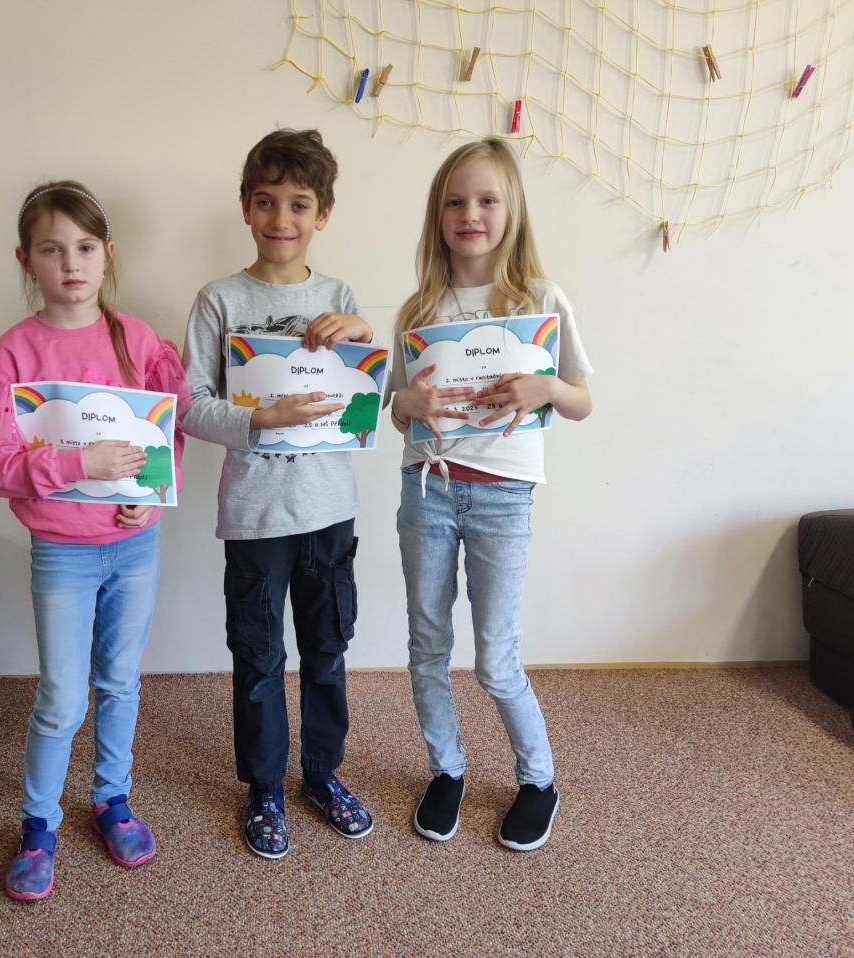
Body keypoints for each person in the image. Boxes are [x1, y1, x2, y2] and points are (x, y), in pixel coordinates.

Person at [0, 180, 189, 900]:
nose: (71, 263)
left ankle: (111, 800)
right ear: (25, 260)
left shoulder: (137, 340)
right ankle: (38, 825)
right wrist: (77, 465)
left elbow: (167, 436)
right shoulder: (14, 354)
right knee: (60, 695)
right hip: (62, 554)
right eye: (52, 250)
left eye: (85, 247)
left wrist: (149, 493)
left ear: (108, 254)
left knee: (120, 681)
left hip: (135, 547)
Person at [386, 138, 594, 851]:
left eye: (486, 200)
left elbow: (581, 401)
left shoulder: (540, 300)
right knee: (427, 645)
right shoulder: (419, 308)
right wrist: (405, 403)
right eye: (454, 201)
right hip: (427, 489)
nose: (469, 214)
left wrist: (547, 387)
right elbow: (397, 410)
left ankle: (539, 780)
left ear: (512, 211)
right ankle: (446, 770)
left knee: (496, 659)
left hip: (504, 497)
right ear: (437, 215)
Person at [181, 129, 375, 859]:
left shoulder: (339, 296)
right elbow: (190, 405)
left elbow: (366, 402)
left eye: (298, 204)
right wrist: (261, 419)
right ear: (245, 207)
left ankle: (321, 775)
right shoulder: (219, 299)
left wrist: (363, 333)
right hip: (255, 514)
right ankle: (264, 787)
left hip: (329, 509)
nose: (281, 219)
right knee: (259, 658)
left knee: (327, 649)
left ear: (323, 213)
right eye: (265, 202)